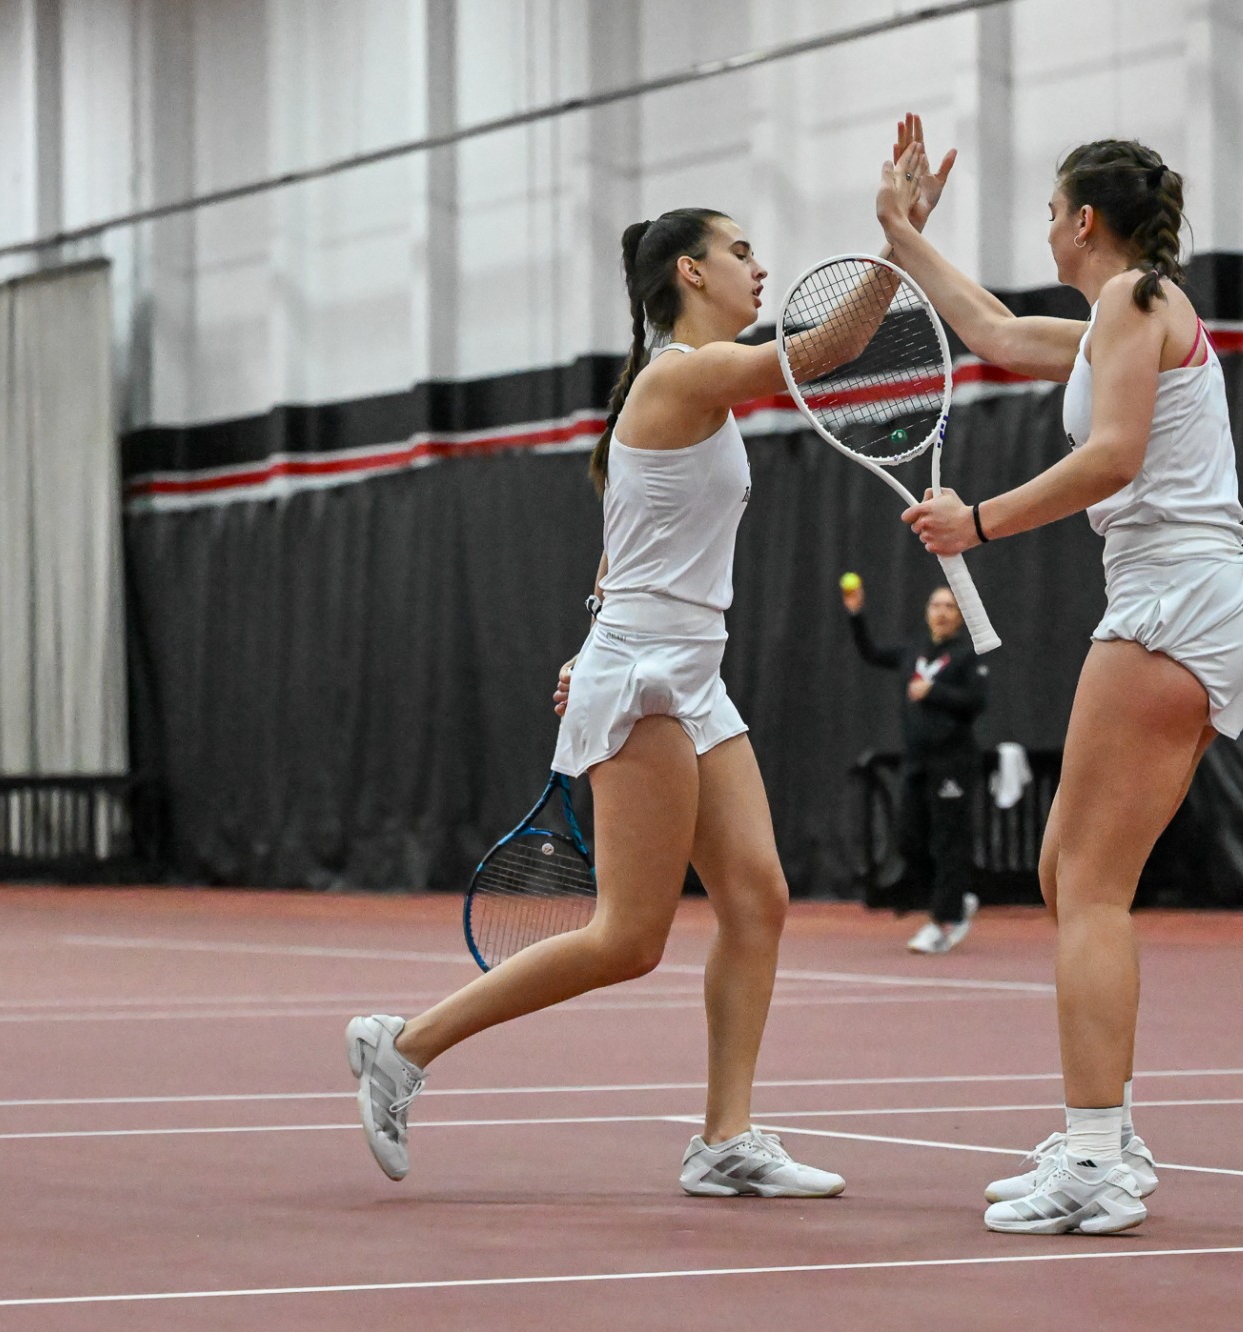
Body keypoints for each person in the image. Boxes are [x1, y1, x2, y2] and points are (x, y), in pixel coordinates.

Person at [344, 122, 957, 1200]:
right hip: (647, 677)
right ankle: (404, 1045)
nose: (759, 267)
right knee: (630, 938)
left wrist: (590, 632)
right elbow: (823, 352)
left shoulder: (680, 389)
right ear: (690, 273)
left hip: (684, 670)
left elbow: (626, 539)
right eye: (739, 251)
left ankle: (724, 1141)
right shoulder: (684, 377)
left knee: (758, 899)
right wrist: (896, 238)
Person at [876, 120, 1243, 1235]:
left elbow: (1113, 456)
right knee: (1065, 872)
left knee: (1088, 886)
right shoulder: (1116, 319)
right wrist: (901, 234)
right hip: (1188, 598)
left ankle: (1094, 1157)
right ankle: (1111, 1134)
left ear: (1084, 221)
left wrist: (978, 521)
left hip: (1173, 598)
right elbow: (995, 332)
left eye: (1051, 212)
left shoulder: (1139, 301)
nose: (1045, 227)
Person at [841, 579, 988, 953]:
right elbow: (872, 653)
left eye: (949, 607)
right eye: (936, 605)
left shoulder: (967, 657)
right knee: (909, 839)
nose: (942, 613)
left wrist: (933, 691)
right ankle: (953, 900)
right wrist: (856, 614)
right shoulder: (913, 651)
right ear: (927, 612)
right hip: (916, 762)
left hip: (953, 764)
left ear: (960, 616)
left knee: (948, 842)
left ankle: (944, 921)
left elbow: (976, 701)